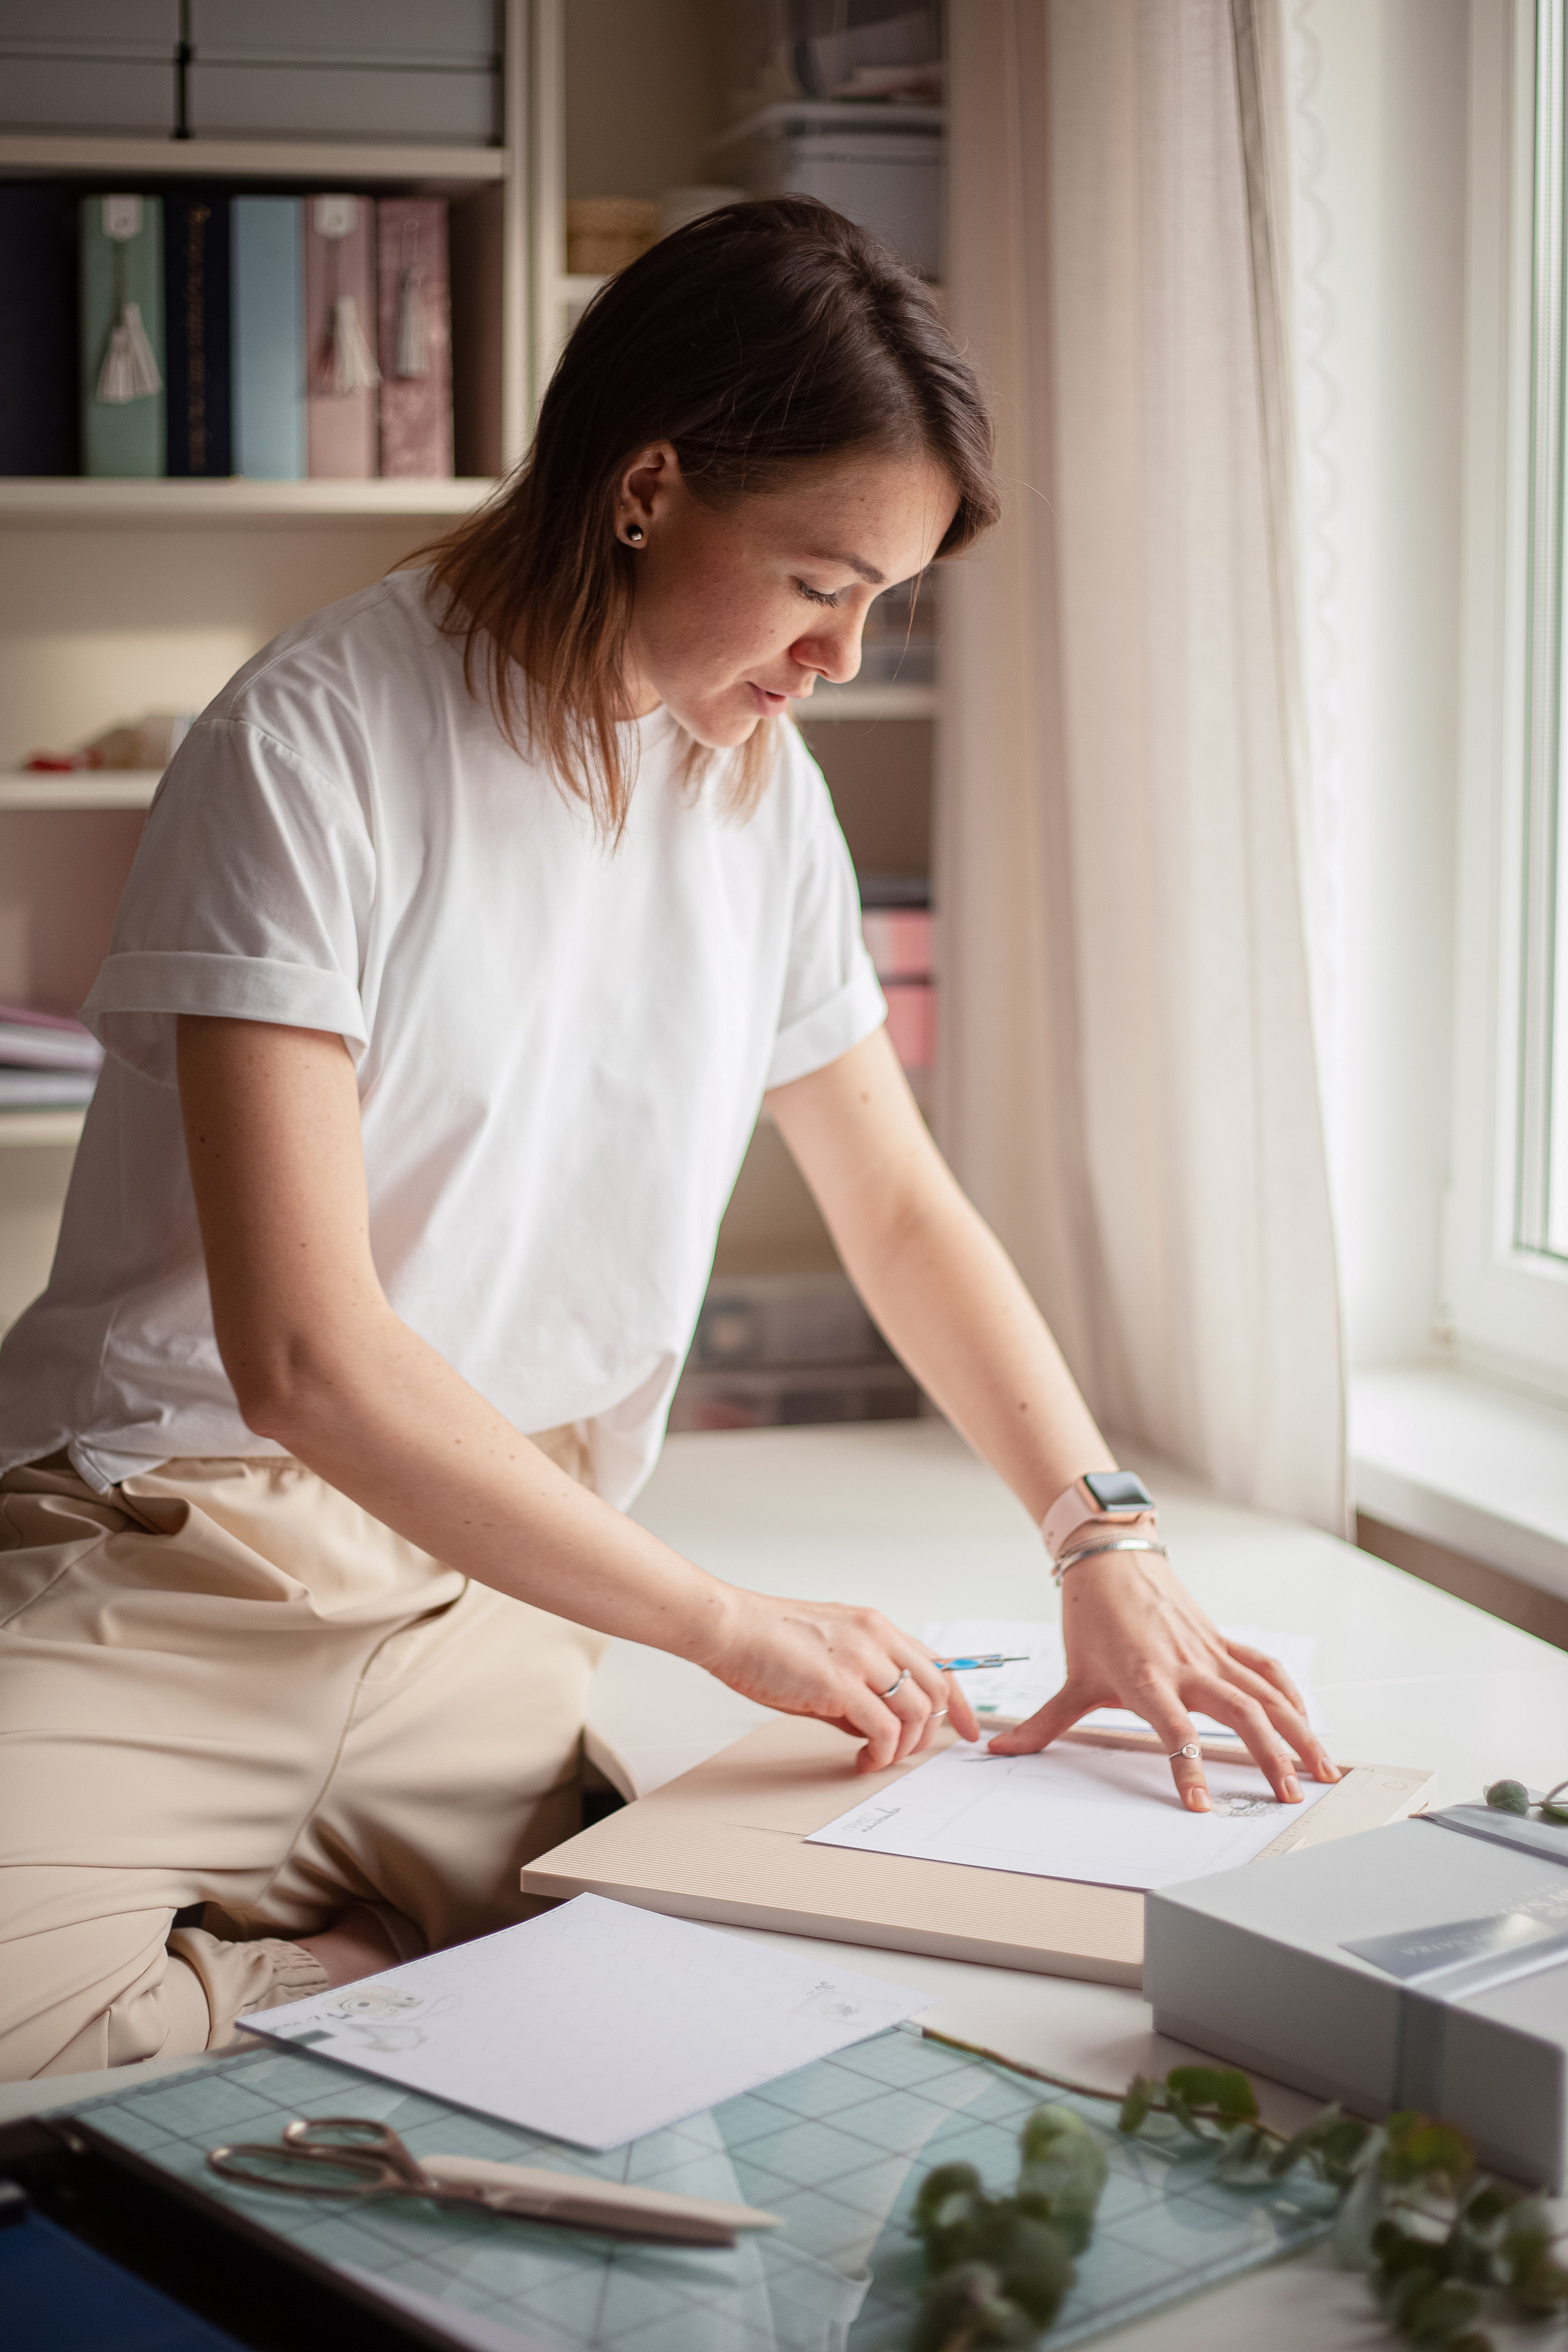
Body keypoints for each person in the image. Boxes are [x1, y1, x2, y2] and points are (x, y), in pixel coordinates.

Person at [0, 198, 1337, 2081]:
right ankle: (341, 1966)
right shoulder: (310, 747)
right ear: (645, 489)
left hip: (495, 1578)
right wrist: (723, 1625)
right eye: (820, 581)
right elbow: (306, 1359)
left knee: (709, 1997)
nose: (844, 655)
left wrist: (1099, 1538)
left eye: (886, 600)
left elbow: (894, 1203)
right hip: (187, 1548)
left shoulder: (753, 796)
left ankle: (339, 1950)